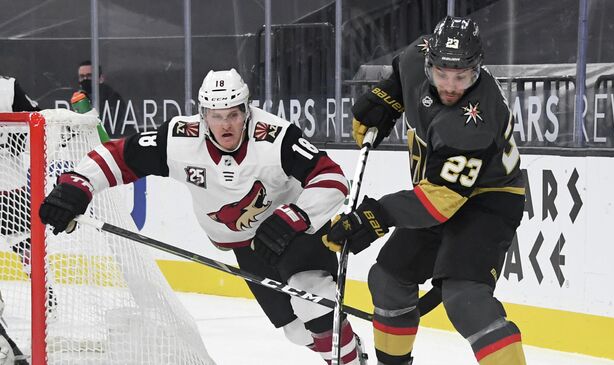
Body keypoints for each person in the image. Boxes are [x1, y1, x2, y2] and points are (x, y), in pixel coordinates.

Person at [39, 68, 367, 364]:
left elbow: (332, 177)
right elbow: (119, 156)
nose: (226, 124)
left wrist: (295, 215)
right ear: (203, 114)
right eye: (216, 115)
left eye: (234, 114)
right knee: (297, 332)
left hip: (293, 232)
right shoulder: (180, 139)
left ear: (247, 110)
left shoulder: (276, 138)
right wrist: (77, 185)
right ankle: (349, 345)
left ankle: (349, 361)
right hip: (247, 246)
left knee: (313, 300)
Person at [325, 16, 527, 365]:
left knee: (466, 300)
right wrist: (389, 93)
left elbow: (438, 204)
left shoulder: (472, 122)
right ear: (429, 61)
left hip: (489, 201)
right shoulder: (417, 57)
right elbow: (404, 67)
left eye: (462, 76)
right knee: (387, 280)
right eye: (442, 74)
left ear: (477, 70)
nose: (450, 85)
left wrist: (374, 216)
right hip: (437, 190)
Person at [0, 74, 40, 364]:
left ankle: (43, 291)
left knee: (25, 242)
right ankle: (44, 291)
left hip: (9, 184)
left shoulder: (8, 85)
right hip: (9, 184)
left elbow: (33, 121)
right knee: (25, 242)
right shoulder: (8, 84)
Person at [76, 60, 124, 135]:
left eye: (89, 76)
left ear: (101, 78)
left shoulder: (112, 98)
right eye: (82, 76)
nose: (85, 79)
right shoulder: (76, 98)